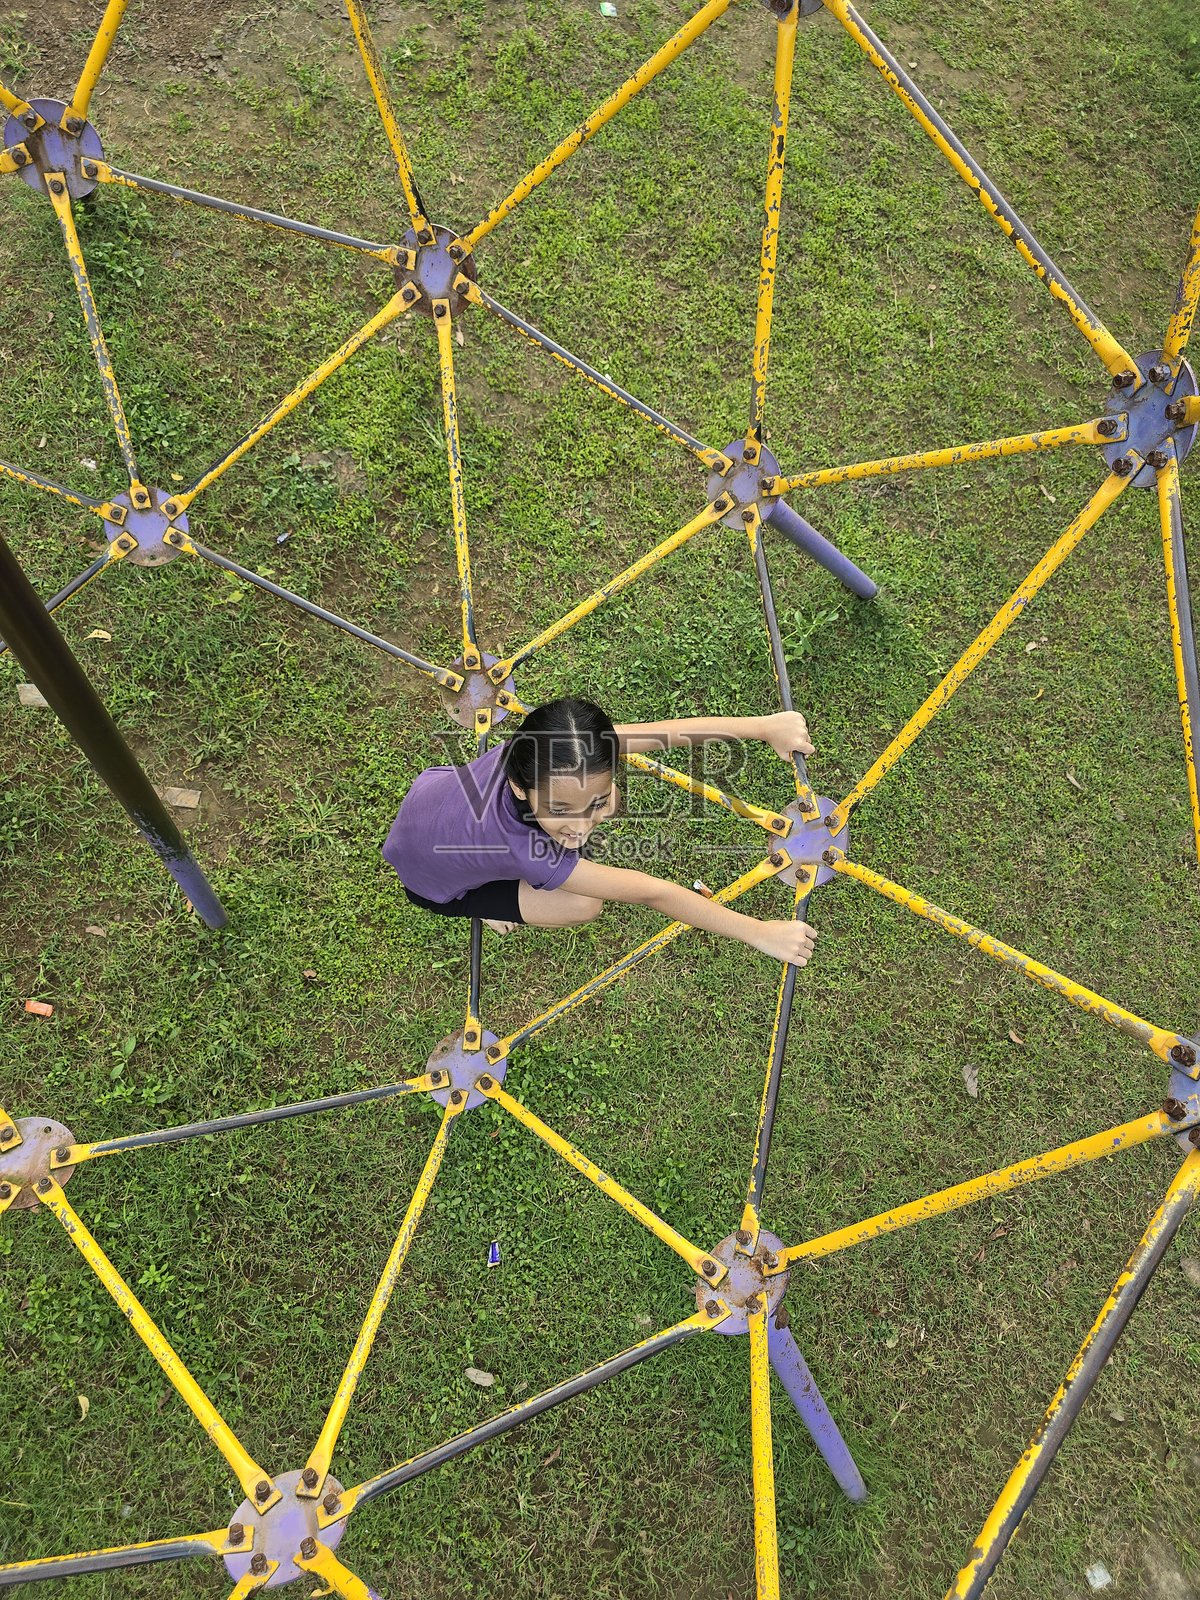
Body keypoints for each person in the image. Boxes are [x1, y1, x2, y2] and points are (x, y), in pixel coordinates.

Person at [382, 697, 819, 967]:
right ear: (520, 786)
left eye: (595, 801)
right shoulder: (532, 850)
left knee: (561, 840)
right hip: (430, 885)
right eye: (561, 809)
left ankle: (497, 865)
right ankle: (484, 901)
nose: (582, 824)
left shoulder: (531, 752)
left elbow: (665, 735)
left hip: (429, 800)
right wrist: (759, 932)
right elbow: (654, 892)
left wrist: (763, 726)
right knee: (584, 903)